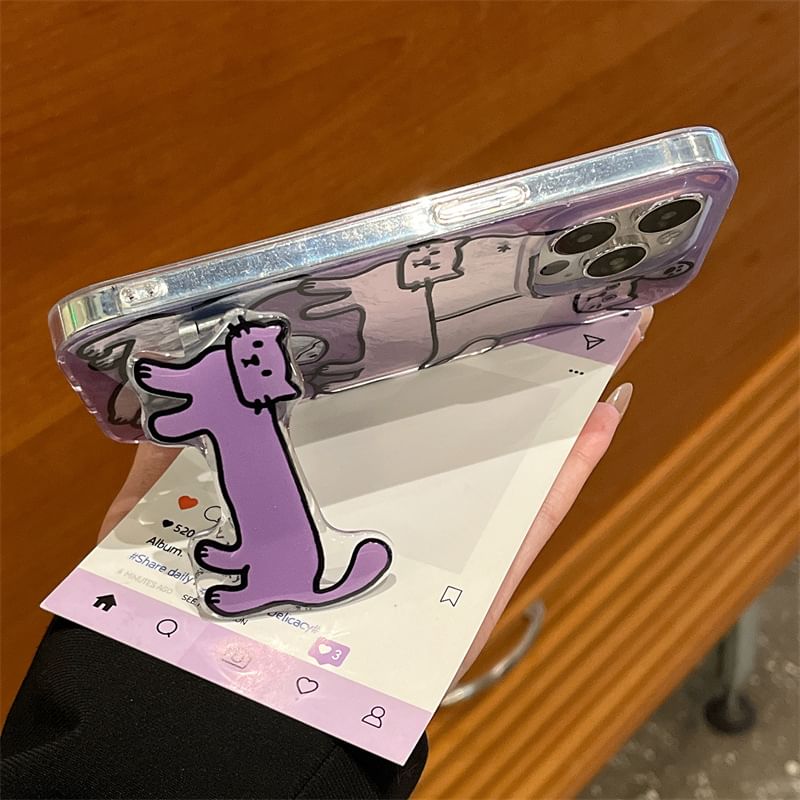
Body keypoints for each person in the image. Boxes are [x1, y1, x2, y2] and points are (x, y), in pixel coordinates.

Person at [0, 311, 650, 799]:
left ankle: (264, 580)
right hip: (225, 729)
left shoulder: (247, 399)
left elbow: (183, 414)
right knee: (253, 521)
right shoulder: (241, 392)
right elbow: (192, 398)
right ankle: (253, 570)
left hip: (239, 644)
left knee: (264, 525)